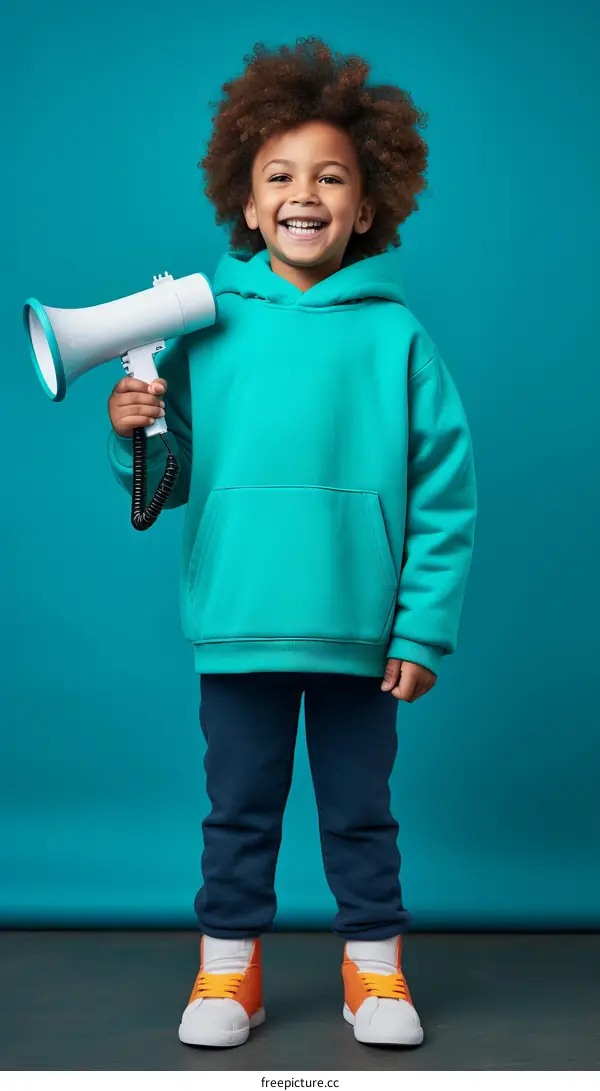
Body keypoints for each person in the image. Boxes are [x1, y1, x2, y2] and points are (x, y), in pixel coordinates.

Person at [107, 37, 477, 1050]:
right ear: (247, 198)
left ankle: (375, 974)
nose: (303, 193)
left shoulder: (399, 337)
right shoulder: (204, 324)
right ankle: (229, 974)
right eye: (279, 175)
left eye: (330, 177)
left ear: (366, 205)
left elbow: (447, 496)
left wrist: (423, 628)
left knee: (362, 813)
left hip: (362, 633)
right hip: (238, 620)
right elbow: (168, 481)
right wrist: (133, 428)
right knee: (238, 810)